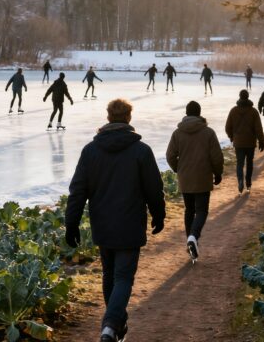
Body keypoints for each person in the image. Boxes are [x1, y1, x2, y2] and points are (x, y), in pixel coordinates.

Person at [65, 99, 165, 342]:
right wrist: (158, 214)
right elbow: (154, 188)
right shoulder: (141, 151)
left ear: (108, 117)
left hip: (103, 224)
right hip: (130, 224)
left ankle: (114, 325)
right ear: (129, 118)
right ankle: (110, 326)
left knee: (110, 275)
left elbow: (78, 190)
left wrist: (72, 223)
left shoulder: (91, 151)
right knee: (123, 278)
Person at [166, 101, 224, 262]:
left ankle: (191, 243)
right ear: (199, 113)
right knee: (202, 211)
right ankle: (193, 237)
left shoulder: (177, 133)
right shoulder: (208, 132)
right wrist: (217, 173)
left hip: (186, 178)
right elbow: (217, 157)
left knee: (189, 210)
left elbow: (170, 155)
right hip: (203, 177)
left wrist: (179, 169)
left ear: (186, 113)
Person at [225, 89, 264, 195]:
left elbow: (227, 127)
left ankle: (240, 181)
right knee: (249, 163)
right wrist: (261, 141)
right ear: (247, 97)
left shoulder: (233, 111)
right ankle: (248, 183)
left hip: (238, 142)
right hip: (250, 142)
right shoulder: (253, 111)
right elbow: (258, 128)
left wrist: (232, 137)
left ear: (240, 97)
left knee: (239, 163)